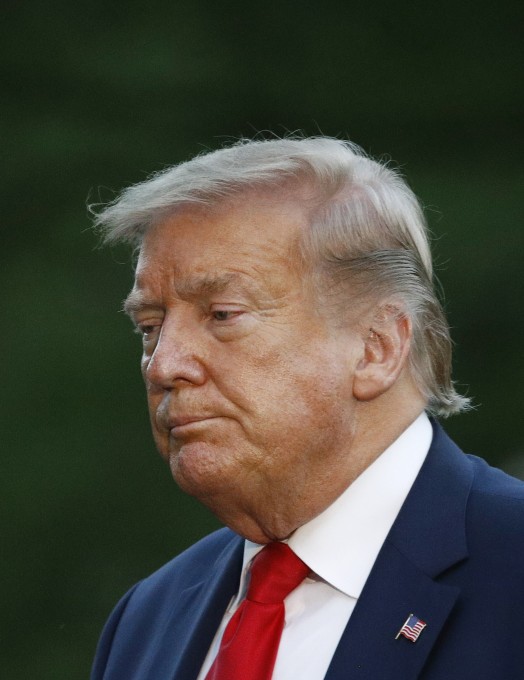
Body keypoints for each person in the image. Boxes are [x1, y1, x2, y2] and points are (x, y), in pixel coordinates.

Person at [89, 136, 524, 680]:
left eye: (222, 314)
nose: (163, 365)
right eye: (150, 327)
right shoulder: (148, 618)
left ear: (377, 347)